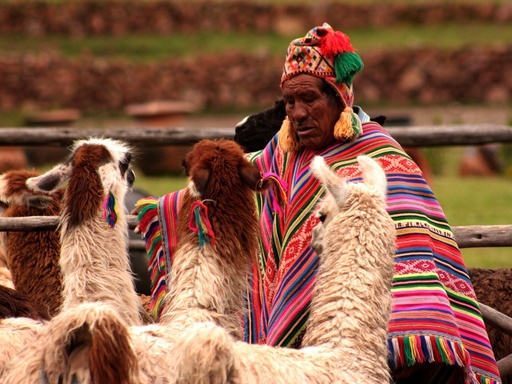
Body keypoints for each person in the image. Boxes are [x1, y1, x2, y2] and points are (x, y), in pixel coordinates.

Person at [134, 23, 501, 384]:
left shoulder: (382, 160)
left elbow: (409, 258)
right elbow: (236, 181)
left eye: (309, 99)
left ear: (339, 98)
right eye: (290, 102)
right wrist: (165, 207)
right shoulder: (284, 153)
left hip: (376, 346)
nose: (297, 113)